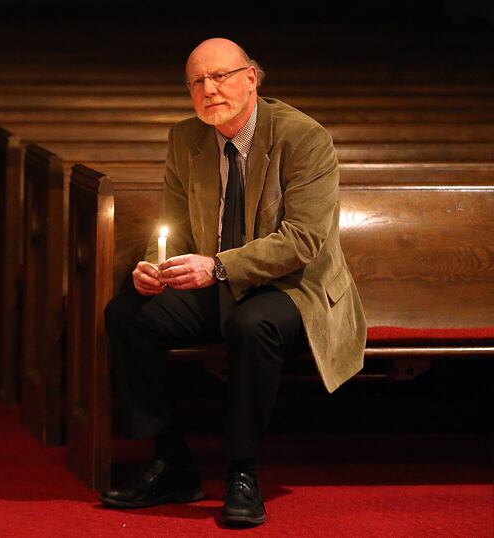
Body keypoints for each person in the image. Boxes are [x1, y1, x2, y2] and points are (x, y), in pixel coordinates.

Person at [99, 38, 367, 527]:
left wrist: (217, 266)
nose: (209, 89)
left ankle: (243, 471)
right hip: (216, 277)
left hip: (294, 286)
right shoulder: (186, 138)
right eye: (197, 82)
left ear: (252, 79)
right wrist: (152, 266)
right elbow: (174, 223)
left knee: (251, 324)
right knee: (128, 313)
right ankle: (171, 461)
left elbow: (303, 241)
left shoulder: (303, 137)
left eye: (221, 76)